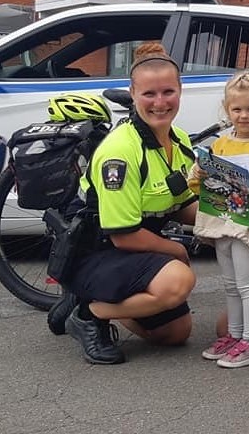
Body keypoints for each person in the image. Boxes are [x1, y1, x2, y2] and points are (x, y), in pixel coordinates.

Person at [52, 42, 198, 365]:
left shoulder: (180, 141)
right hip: (98, 252)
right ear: (132, 94)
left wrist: (229, 217)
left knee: (176, 333)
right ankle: (88, 313)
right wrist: (178, 251)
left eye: (168, 92)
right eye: (149, 94)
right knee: (179, 280)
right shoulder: (120, 152)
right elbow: (124, 235)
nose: (160, 103)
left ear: (180, 91)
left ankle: (102, 302)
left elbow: (182, 204)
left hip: (136, 254)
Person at [188, 71, 249, 368]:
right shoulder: (221, 144)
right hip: (224, 223)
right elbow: (199, 185)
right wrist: (199, 173)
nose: (244, 116)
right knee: (230, 285)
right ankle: (235, 336)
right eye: (237, 109)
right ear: (227, 109)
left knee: (247, 285)